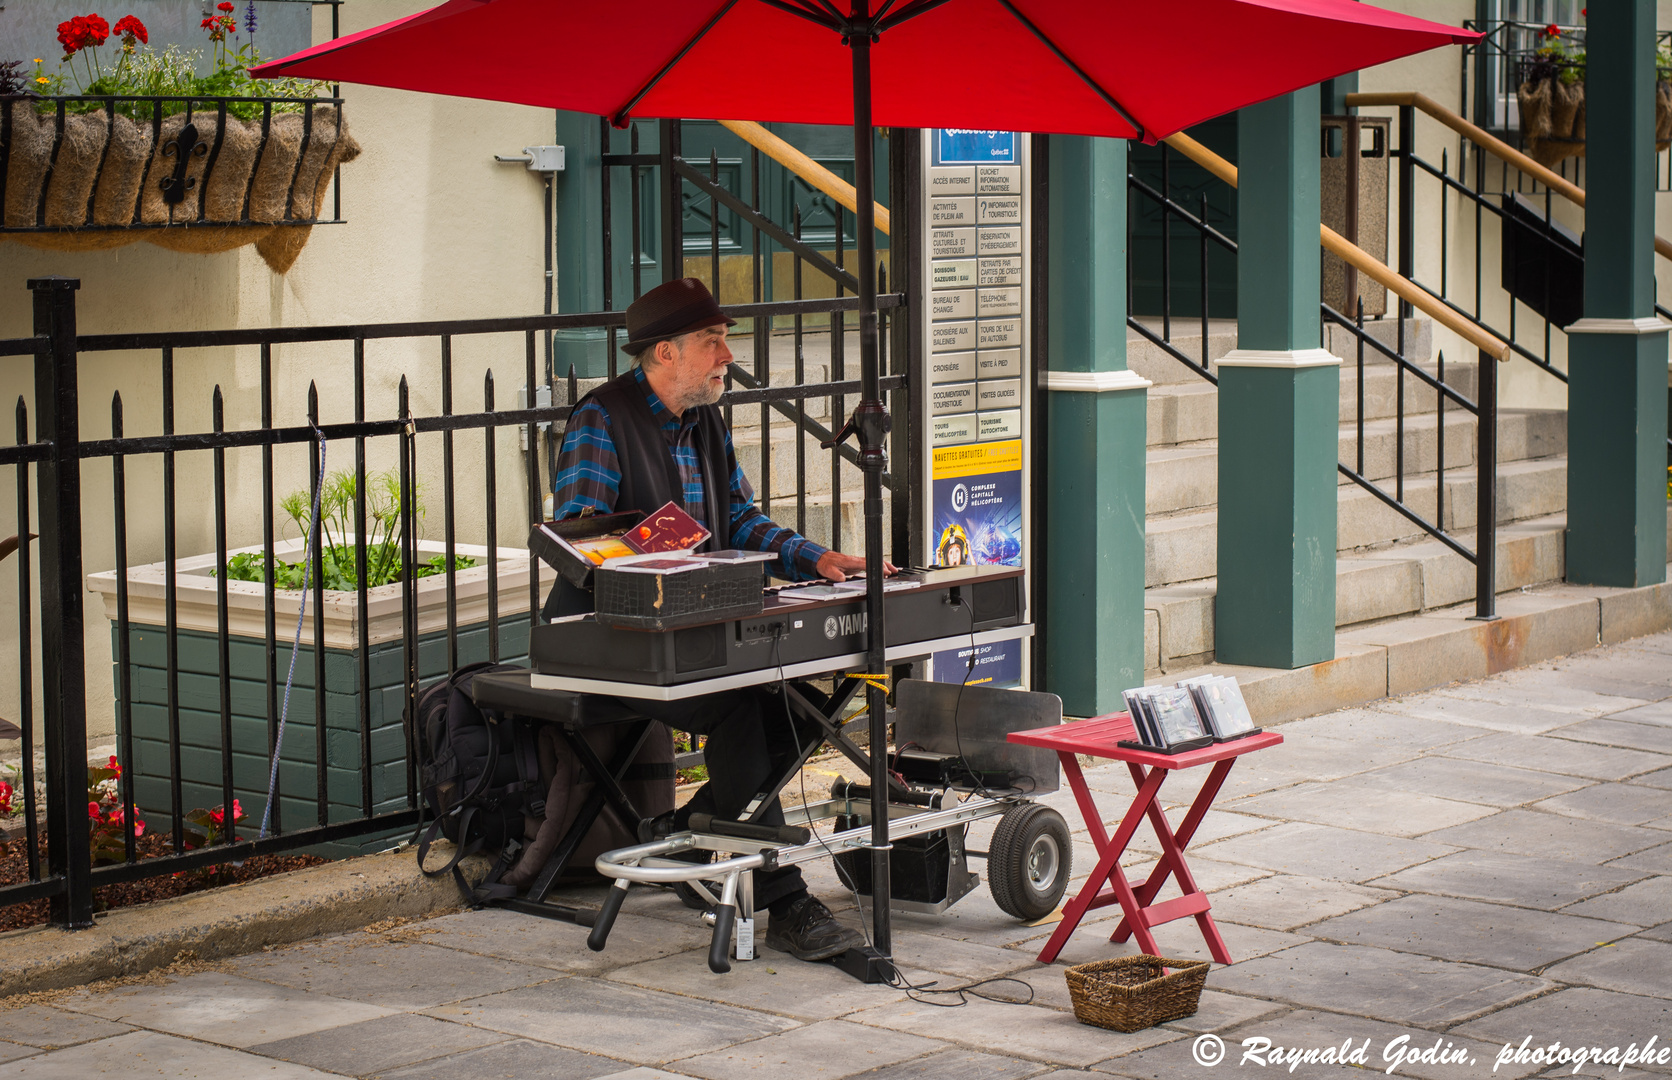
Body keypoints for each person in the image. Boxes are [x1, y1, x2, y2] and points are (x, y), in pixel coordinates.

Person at [548, 277, 892, 962]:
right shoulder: (602, 418)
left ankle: (694, 828)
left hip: (693, 629)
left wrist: (815, 559)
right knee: (744, 708)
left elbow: (739, 520)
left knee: (800, 706)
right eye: (713, 342)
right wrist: (660, 562)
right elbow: (581, 542)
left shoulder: (704, 419)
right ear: (664, 353)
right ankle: (786, 899)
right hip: (604, 640)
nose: (726, 355)